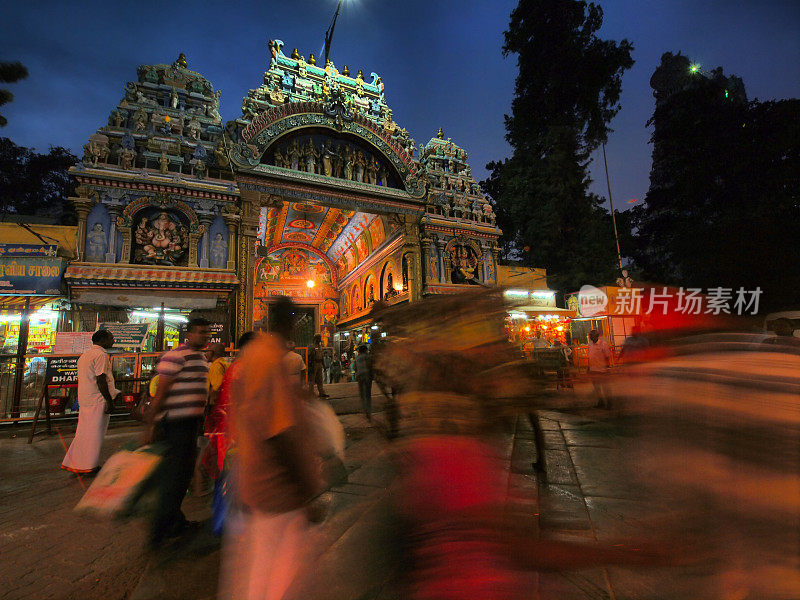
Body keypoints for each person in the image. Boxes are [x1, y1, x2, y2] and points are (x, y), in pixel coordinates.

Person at [220, 297, 322, 600]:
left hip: (252, 477)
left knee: (256, 566)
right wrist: (306, 489)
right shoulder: (270, 359)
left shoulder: (252, 355)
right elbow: (280, 434)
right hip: (277, 486)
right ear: (289, 320)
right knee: (278, 570)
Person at [145, 317, 211, 549]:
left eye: (207, 333)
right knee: (174, 478)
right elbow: (161, 393)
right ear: (189, 334)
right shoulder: (175, 356)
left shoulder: (201, 357)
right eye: (201, 333)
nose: (205, 337)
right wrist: (151, 424)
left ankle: (175, 521)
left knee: (182, 476)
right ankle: (159, 531)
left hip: (191, 424)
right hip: (176, 424)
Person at [61, 329, 121, 474]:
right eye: (111, 338)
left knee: (83, 432)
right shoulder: (101, 355)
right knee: (95, 434)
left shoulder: (85, 355)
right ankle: (88, 465)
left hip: (86, 398)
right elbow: (101, 379)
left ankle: (75, 462)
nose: (113, 341)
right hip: (97, 399)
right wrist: (109, 401)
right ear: (103, 340)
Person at [587, 329, 612, 408]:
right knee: (597, 388)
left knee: (605, 387)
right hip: (593, 369)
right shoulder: (590, 345)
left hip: (602, 369)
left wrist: (607, 368)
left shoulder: (603, 344)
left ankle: (608, 403)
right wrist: (588, 368)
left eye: (592, 335)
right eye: (590, 335)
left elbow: (607, 356)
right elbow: (590, 357)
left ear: (596, 336)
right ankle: (600, 402)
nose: (591, 337)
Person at [205, 342, 229, 407]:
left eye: (207, 351)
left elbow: (217, 387)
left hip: (215, 406)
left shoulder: (216, 365)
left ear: (211, 352)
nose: (205, 354)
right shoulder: (224, 364)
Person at [355, 345, 373, 422]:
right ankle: (368, 411)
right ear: (365, 350)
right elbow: (370, 366)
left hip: (360, 376)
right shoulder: (368, 356)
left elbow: (355, 368)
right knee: (368, 394)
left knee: (362, 394)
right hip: (367, 375)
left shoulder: (357, 358)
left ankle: (365, 409)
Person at [307, 334, 329, 398]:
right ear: (315, 339)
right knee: (312, 380)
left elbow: (322, 357)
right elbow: (308, 356)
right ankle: (310, 393)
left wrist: (324, 365)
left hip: (319, 364)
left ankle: (321, 393)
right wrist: (310, 366)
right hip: (314, 364)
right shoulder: (311, 346)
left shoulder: (320, 346)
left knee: (320, 379)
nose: (320, 339)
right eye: (319, 338)